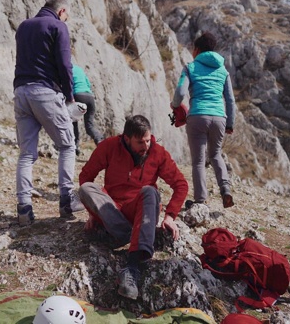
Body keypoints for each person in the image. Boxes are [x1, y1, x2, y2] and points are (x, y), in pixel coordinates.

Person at [78, 115, 188, 300]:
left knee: (150, 192)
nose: (146, 146)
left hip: (141, 209)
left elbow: (181, 184)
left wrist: (170, 216)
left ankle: (133, 264)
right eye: (140, 142)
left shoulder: (157, 153)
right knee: (85, 188)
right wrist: (93, 213)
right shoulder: (109, 146)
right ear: (126, 139)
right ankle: (127, 234)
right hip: (112, 209)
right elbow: (86, 176)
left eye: (148, 140)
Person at [13, 0, 81, 224]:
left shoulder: (24, 26)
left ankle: (24, 209)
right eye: (67, 16)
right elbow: (64, 64)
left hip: (21, 92)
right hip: (45, 92)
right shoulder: (57, 26)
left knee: (26, 154)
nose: (66, 20)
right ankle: (66, 201)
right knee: (67, 145)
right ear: (62, 11)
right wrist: (70, 96)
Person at [170, 32, 236, 209]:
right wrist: (230, 123)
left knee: (198, 161)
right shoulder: (223, 71)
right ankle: (225, 189)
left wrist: (174, 105)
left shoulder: (190, 67)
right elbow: (230, 99)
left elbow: (180, 93)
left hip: (198, 115)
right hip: (220, 117)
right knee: (215, 154)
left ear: (197, 50)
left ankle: (200, 200)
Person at [71, 64, 104, 155]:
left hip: (77, 95)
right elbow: (88, 84)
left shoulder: (67, 69)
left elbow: (67, 83)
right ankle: (100, 140)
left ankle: (75, 146)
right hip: (89, 97)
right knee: (89, 126)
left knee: (73, 122)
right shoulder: (79, 69)